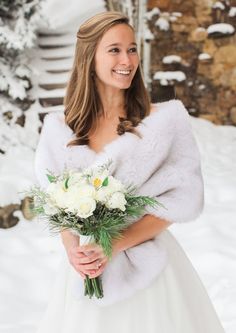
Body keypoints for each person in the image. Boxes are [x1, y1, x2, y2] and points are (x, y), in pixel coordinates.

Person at [35, 11, 225, 333]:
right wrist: (74, 252)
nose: (128, 59)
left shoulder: (164, 123)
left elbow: (182, 197)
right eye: (115, 50)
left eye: (132, 48)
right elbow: (56, 205)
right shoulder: (59, 130)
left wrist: (113, 245)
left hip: (151, 271)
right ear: (89, 57)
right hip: (86, 273)